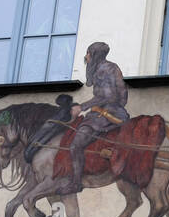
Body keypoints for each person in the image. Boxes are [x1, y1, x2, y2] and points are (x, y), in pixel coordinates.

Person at [54, 42, 129, 195]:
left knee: (76, 145)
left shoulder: (102, 70)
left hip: (106, 114)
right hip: (114, 111)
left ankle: (75, 183)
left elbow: (107, 96)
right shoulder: (112, 67)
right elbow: (122, 96)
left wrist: (82, 107)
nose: (86, 57)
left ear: (94, 55)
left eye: (88, 54)